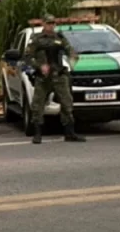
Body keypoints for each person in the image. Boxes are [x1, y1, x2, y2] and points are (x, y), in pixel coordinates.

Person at [24, 14, 85, 144]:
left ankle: (69, 132)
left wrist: (73, 59)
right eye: (48, 23)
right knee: (38, 105)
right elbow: (27, 57)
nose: (51, 26)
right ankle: (37, 133)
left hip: (59, 75)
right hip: (43, 77)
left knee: (67, 103)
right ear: (43, 24)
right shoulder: (36, 39)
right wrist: (39, 66)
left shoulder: (59, 37)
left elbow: (70, 51)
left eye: (53, 23)